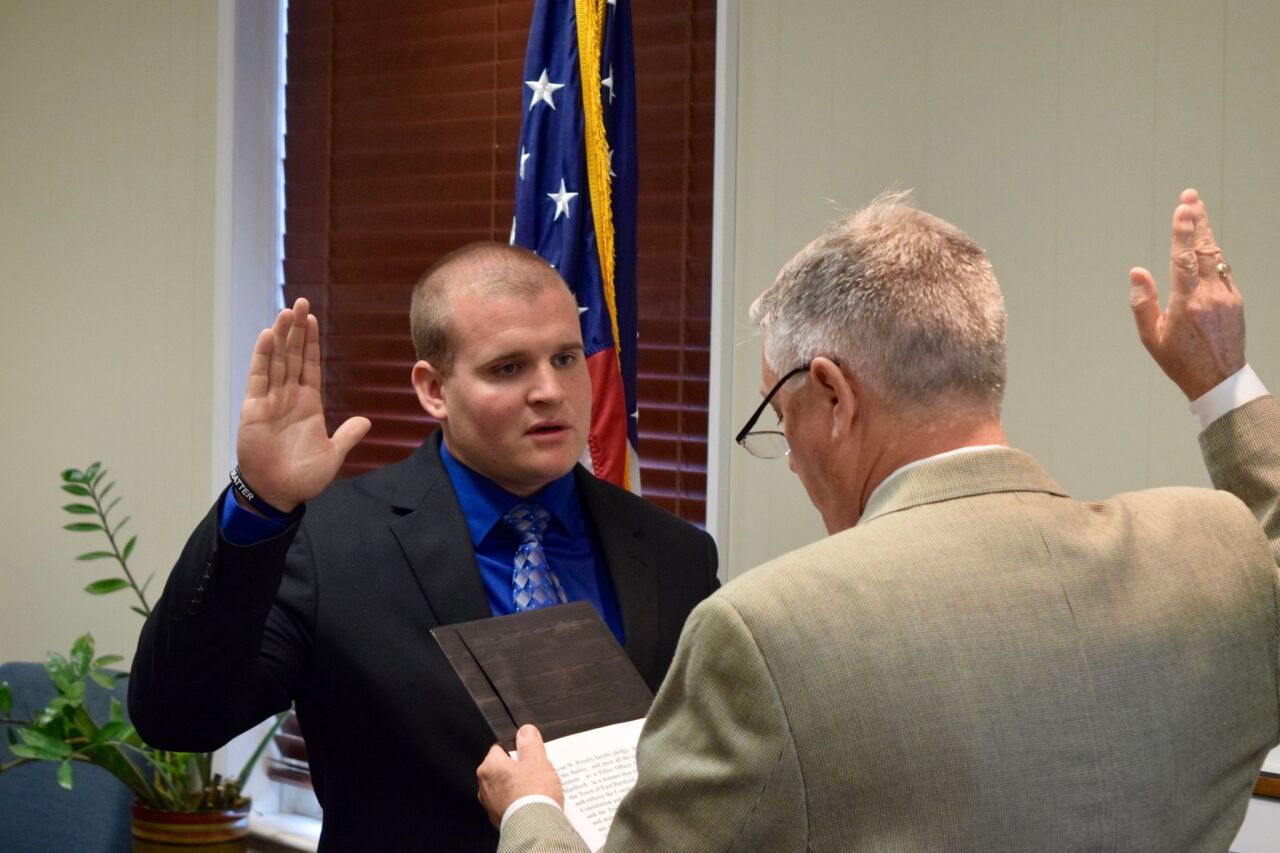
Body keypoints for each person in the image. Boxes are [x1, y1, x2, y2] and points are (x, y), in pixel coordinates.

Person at [477, 189, 1280, 850]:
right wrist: (1222, 383)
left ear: (833, 395)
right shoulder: (1213, 550)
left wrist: (532, 812)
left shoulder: (767, 632)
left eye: (778, 413)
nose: (789, 456)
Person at [129, 243, 719, 852]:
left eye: (566, 358)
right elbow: (180, 716)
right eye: (508, 368)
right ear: (434, 389)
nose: (551, 390)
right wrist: (260, 503)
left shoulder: (676, 555)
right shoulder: (330, 546)